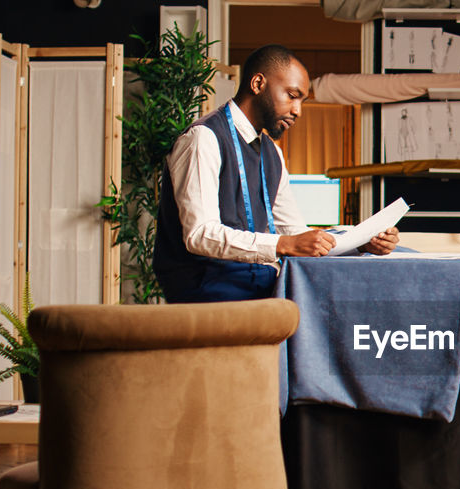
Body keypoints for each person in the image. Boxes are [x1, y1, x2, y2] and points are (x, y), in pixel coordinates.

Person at [154, 45, 398, 303]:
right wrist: (285, 244)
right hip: (206, 286)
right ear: (258, 83)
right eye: (292, 96)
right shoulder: (203, 138)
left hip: (255, 281)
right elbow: (200, 235)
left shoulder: (272, 154)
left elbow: (294, 231)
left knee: (357, 291)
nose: (298, 111)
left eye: (302, 101)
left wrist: (361, 244)